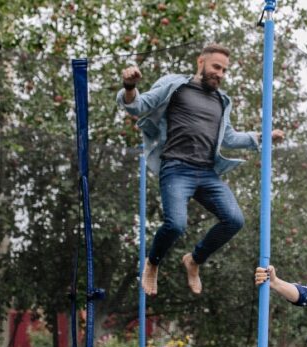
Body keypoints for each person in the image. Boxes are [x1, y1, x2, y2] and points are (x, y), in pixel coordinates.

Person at [118, 44, 284, 296]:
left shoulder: (221, 101)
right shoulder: (176, 86)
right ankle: (152, 263)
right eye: (216, 67)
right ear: (201, 63)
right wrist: (129, 87)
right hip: (176, 169)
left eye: (224, 70)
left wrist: (262, 137)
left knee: (234, 220)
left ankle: (194, 260)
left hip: (206, 173)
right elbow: (137, 106)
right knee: (175, 225)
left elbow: (228, 137)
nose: (220, 73)